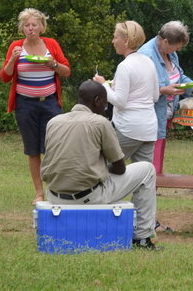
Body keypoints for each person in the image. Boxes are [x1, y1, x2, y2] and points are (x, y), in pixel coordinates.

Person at [40, 80, 159, 249]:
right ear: (97, 100)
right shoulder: (100, 122)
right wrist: (101, 167)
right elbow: (120, 168)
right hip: (88, 197)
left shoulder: (54, 121)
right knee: (147, 170)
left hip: (54, 195)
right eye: (104, 102)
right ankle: (142, 238)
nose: (104, 107)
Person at [0, 8, 71, 205]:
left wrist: (53, 64)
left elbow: (66, 71)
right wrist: (13, 59)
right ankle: (39, 192)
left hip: (49, 103)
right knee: (32, 149)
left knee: (54, 148)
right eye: (27, 25)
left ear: (41, 27)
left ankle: (55, 190)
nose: (30, 28)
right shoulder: (15, 46)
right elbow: (5, 77)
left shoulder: (51, 45)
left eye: (34, 25)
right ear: (22, 28)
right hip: (25, 105)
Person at [138, 20, 193, 174]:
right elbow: (139, 90)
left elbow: (181, 78)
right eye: (176, 47)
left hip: (165, 114)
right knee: (150, 161)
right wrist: (163, 90)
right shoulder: (146, 56)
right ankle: (149, 190)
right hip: (151, 116)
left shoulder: (170, 53)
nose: (178, 50)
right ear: (165, 41)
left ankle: (155, 187)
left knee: (159, 157)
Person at [93, 20, 159, 163]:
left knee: (103, 165)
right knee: (144, 174)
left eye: (115, 37)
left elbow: (120, 102)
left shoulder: (125, 66)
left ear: (126, 40)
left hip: (129, 128)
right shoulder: (149, 62)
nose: (113, 41)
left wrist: (103, 85)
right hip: (149, 128)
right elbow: (155, 96)